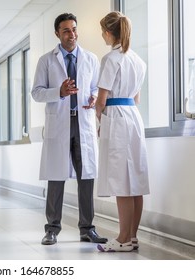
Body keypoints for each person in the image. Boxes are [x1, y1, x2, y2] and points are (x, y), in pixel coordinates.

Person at [31, 12, 107, 245]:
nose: (71, 34)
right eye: (66, 30)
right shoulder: (46, 60)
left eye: (74, 29)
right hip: (60, 123)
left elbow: (95, 87)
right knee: (56, 177)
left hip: (82, 122)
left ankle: (87, 228)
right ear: (57, 33)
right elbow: (37, 92)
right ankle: (52, 228)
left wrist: (94, 97)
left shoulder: (91, 58)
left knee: (87, 177)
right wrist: (59, 92)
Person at [95, 11, 150, 252]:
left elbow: (102, 99)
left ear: (108, 32)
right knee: (134, 180)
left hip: (116, 119)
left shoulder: (110, 59)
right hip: (133, 118)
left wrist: (99, 119)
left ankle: (122, 238)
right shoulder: (138, 60)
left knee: (121, 182)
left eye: (102, 31)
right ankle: (133, 237)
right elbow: (135, 98)